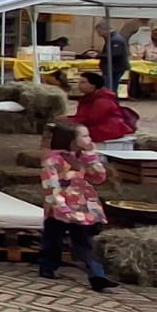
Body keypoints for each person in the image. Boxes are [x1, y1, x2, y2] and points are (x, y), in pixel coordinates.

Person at [38, 120, 112, 292]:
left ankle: (97, 275)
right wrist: (60, 206)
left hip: (81, 208)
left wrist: (92, 158)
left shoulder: (83, 158)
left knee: (84, 242)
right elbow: (50, 185)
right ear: (71, 140)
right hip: (59, 207)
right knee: (53, 239)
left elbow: (99, 178)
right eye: (85, 136)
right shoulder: (53, 160)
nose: (90, 139)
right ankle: (47, 266)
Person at [70, 72, 134, 144]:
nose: (79, 85)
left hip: (107, 130)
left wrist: (70, 120)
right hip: (98, 127)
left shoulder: (103, 100)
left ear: (93, 85)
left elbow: (92, 119)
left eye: (83, 82)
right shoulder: (88, 97)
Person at [98, 20, 132, 98]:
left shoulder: (116, 39)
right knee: (111, 88)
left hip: (114, 68)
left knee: (110, 88)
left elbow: (115, 54)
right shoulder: (111, 38)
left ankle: (111, 103)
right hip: (112, 68)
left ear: (103, 30)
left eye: (99, 32)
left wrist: (99, 55)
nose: (99, 34)